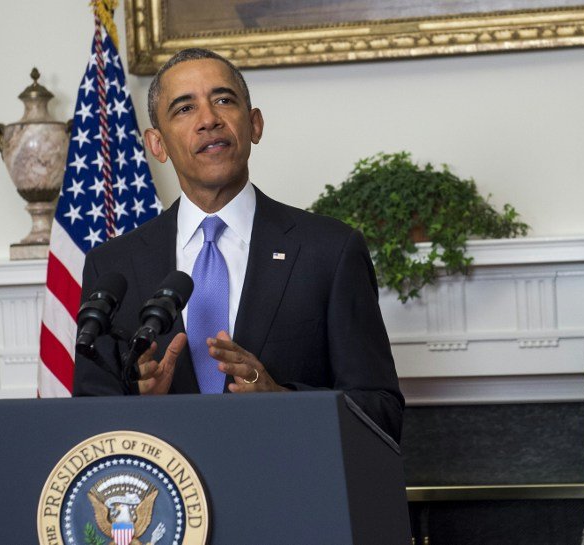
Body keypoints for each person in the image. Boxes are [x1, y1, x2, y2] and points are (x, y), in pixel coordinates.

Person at [72, 48, 404, 442]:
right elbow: (89, 427)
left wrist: (280, 399)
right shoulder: (114, 267)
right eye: (184, 109)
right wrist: (142, 407)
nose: (208, 119)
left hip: (287, 493)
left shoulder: (329, 251)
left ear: (254, 124)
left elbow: (381, 412)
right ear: (156, 144)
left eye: (223, 100)